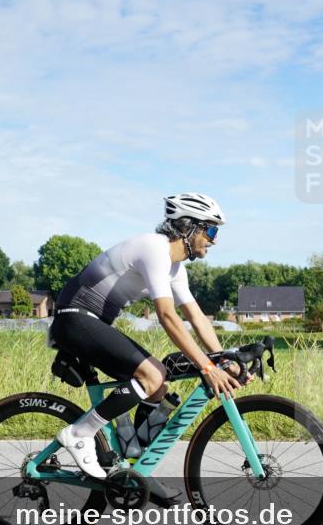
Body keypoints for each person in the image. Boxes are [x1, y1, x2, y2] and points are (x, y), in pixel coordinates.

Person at [49, 192, 243, 480]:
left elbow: (197, 318)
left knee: (157, 387)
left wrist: (224, 360)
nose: (214, 240)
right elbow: (167, 316)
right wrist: (207, 367)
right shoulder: (155, 249)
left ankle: (132, 464)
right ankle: (79, 433)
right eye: (211, 231)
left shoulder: (175, 269)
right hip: (74, 318)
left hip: (92, 321)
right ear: (189, 227)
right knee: (152, 375)